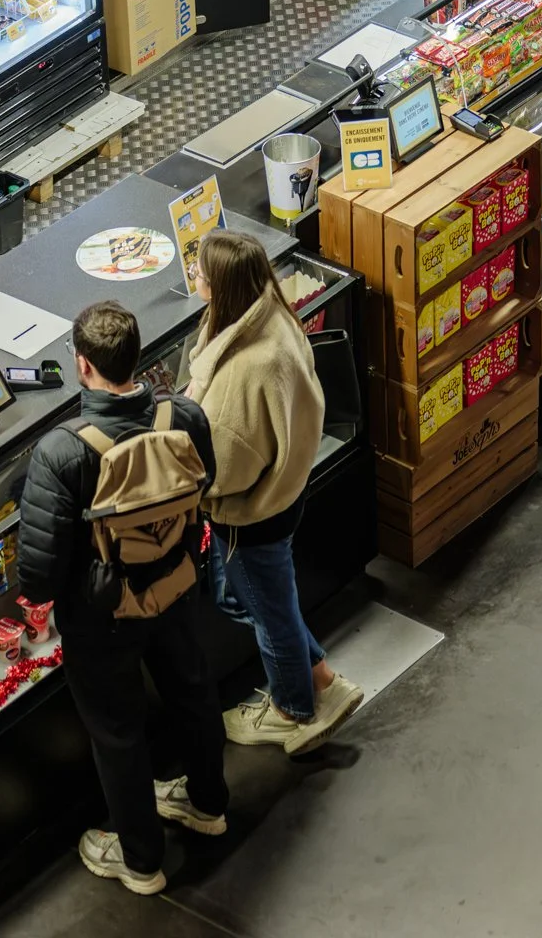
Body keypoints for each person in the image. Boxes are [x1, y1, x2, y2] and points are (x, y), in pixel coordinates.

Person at [17, 301, 227, 898]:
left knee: (118, 734)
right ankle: (208, 806)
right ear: (137, 356)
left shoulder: (62, 452)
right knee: (192, 693)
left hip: (103, 618)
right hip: (176, 586)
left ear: (82, 365)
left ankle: (141, 863)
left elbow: (38, 577)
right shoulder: (182, 416)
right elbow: (205, 483)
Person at [186, 231, 363, 754]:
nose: (194, 277)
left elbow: (224, 468)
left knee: (268, 612)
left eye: (199, 272)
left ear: (222, 287)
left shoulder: (243, 371)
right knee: (256, 599)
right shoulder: (273, 315)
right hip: (284, 496)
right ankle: (321, 678)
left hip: (250, 516)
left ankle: (293, 711)